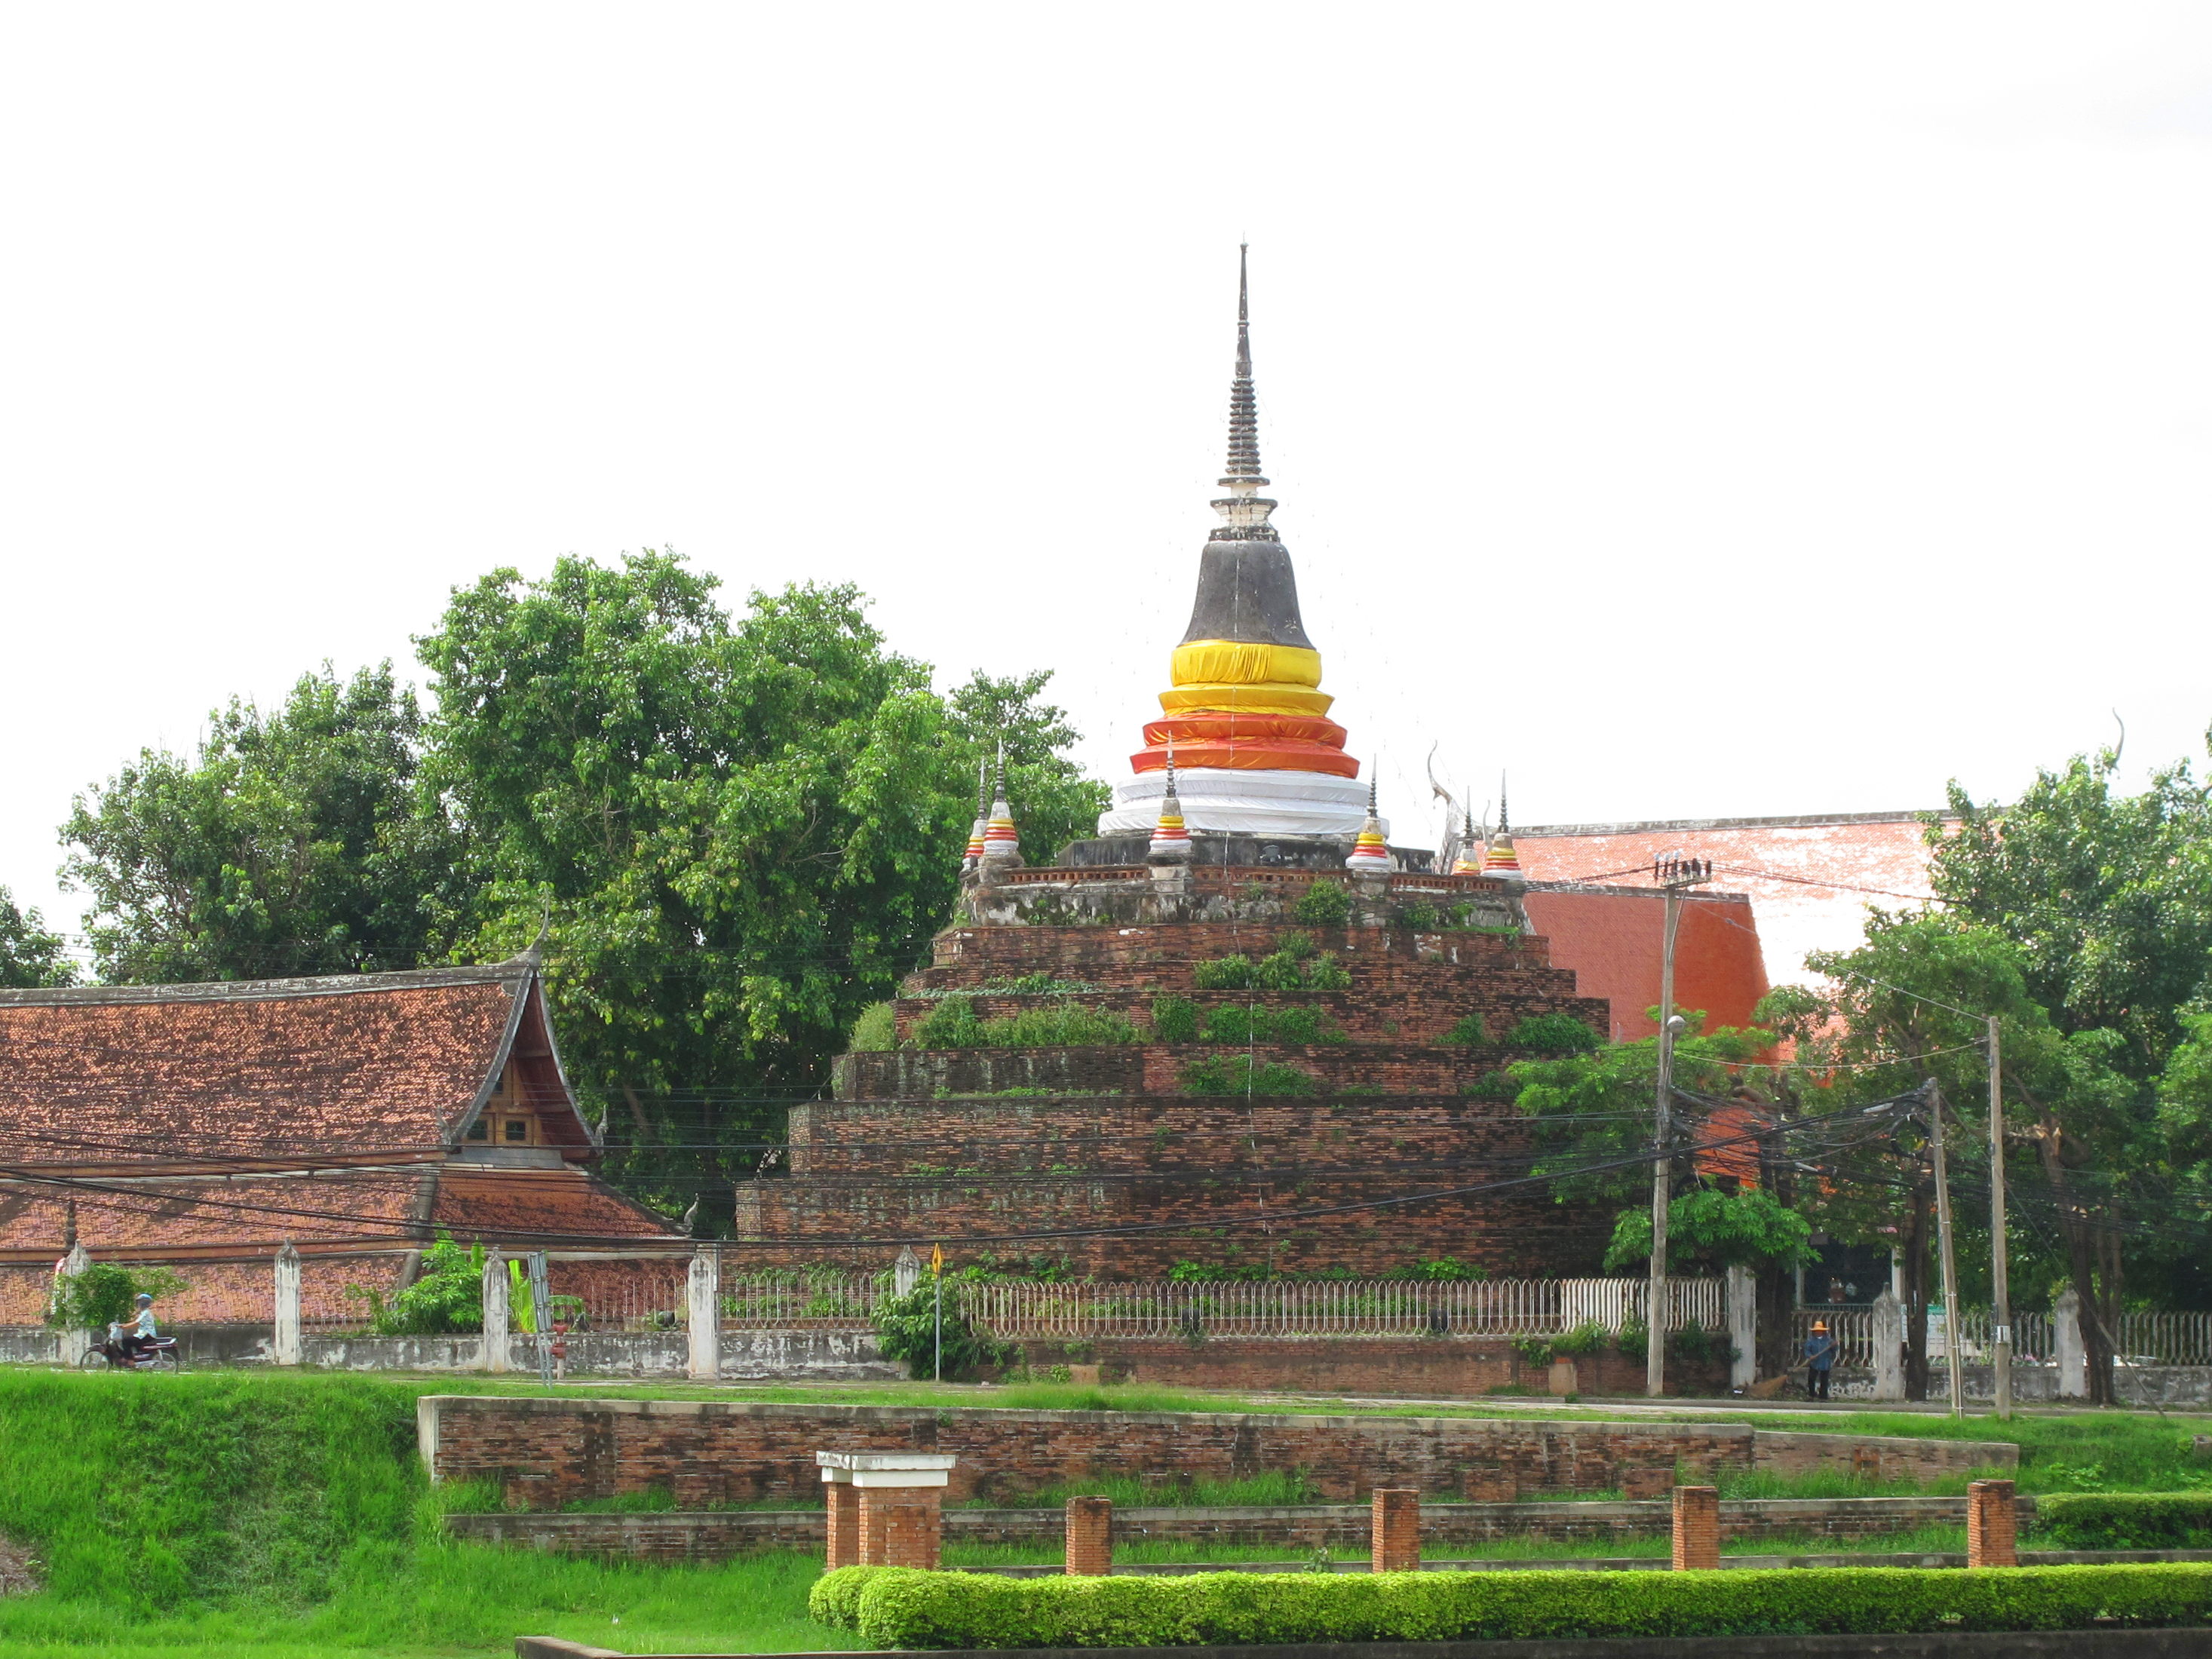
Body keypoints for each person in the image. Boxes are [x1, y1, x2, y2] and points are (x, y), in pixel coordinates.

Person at [107, 1292, 158, 1361]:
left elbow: (136, 1323)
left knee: (126, 1341)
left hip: (146, 1334)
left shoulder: (146, 1313)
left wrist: (124, 1327)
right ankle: (137, 1359)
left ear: (142, 1304)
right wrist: (123, 1325)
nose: (138, 1305)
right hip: (144, 1334)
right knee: (132, 1340)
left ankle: (130, 1361)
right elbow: (136, 1322)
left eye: (139, 1303)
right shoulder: (145, 1312)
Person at [1805, 1318, 1838, 1400]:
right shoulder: (1810, 1341)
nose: (1818, 1332)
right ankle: (1811, 1395)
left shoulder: (1828, 1341)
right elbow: (1807, 1350)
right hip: (1814, 1363)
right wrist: (1810, 1356)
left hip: (1825, 1363)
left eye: (1820, 1330)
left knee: (1824, 1381)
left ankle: (1823, 1397)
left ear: (1823, 1331)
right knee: (1811, 1379)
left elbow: (1834, 1350)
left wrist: (1834, 1346)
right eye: (1817, 1331)